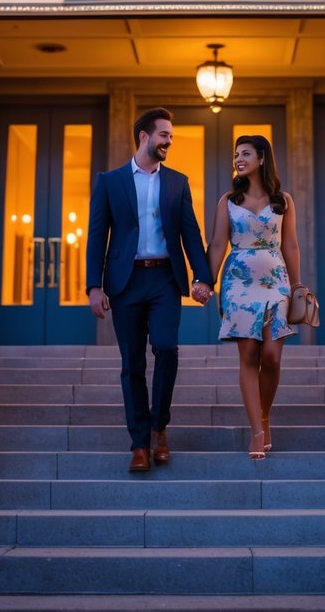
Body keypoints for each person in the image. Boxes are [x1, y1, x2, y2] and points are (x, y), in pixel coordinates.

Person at [85, 107, 214, 474]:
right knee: (132, 365)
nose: (169, 141)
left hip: (164, 280)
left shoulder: (177, 182)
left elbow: (191, 233)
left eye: (171, 136)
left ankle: (160, 426)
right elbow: (97, 235)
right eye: (164, 135)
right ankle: (139, 444)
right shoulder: (110, 182)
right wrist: (94, 285)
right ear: (144, 136)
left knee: (166, 348)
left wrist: (202, 278)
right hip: (125, 283)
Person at [206, 135, 300, 461]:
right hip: (238, 284)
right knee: (249, 356)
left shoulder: (282, 201)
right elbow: (218, 244)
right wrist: (207, 280)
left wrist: (298, 286)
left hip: (276, 282)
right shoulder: (228, 202)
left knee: (272, 356)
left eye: (245, 153)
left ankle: (265, 415)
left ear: (262, 158)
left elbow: (291, 246)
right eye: (235, 154)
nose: (238, 158)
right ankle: (257, 432)